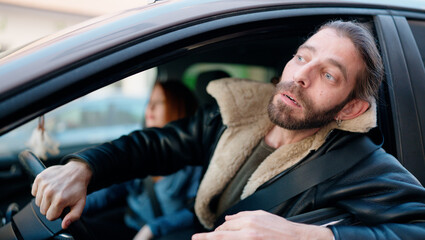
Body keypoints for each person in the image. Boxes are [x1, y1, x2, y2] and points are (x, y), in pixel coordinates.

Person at [32, 20, 425, 240]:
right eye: (301, 57)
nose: (301, 75)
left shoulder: (358, 163)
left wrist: (304, 237)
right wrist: (83, 168)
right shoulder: (231, 116)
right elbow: (154, 145)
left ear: (351, 108)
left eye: (328, 74)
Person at [82, 81, 201, 239]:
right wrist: (77, 204)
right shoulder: (139, 150)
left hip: (166, 234)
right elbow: (112, 190)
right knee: (79, 228)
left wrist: (152, 229)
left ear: (177, 107)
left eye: (158, 103)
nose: (149, 108)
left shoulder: (194, 160)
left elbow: (197, 212)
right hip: (132, 226)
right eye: (149, 102)